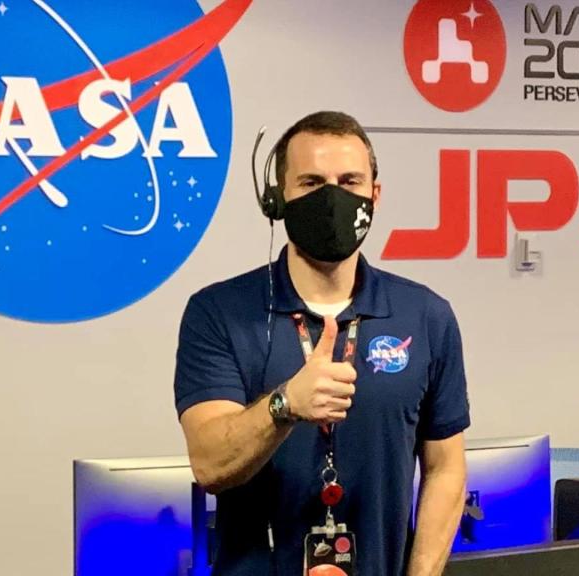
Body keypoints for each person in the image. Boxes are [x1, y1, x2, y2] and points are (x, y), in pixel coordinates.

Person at [174, 111, 469, 576]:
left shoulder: (427, 315)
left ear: (374, 194)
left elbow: (445, 468)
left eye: (349, 181)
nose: (333, 198)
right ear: (277, 199)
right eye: (311, 183)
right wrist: (285, 404)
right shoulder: (218, 313)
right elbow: (210, 465)